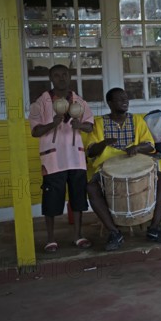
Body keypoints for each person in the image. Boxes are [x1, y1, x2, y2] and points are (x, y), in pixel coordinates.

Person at [86, 88, 161, 251]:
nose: (125, 101)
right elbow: (90, 151)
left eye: (126, 98)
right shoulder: (99, 123)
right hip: (107, 170)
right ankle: (114, 232)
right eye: (120, 99)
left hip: (136, 166)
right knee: (91, 187)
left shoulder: (137, 120)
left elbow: (150, 145)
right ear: (110, 103)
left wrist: (137, 147)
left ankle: (154, 228)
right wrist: (103, 143)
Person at [29, 64, 94, 253]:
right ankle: (50, 239)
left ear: (70, 76)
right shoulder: (40, 103)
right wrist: (52, 124)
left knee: (78, 198)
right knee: (51, 198)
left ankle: (78, 235)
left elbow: (90, 126)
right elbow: (35, 131)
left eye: (64, 74)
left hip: (76, 157)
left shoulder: (79, 102)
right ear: (51, 78)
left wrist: (80, 125)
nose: (61, 78)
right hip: (53, 158)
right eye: (56, 75)